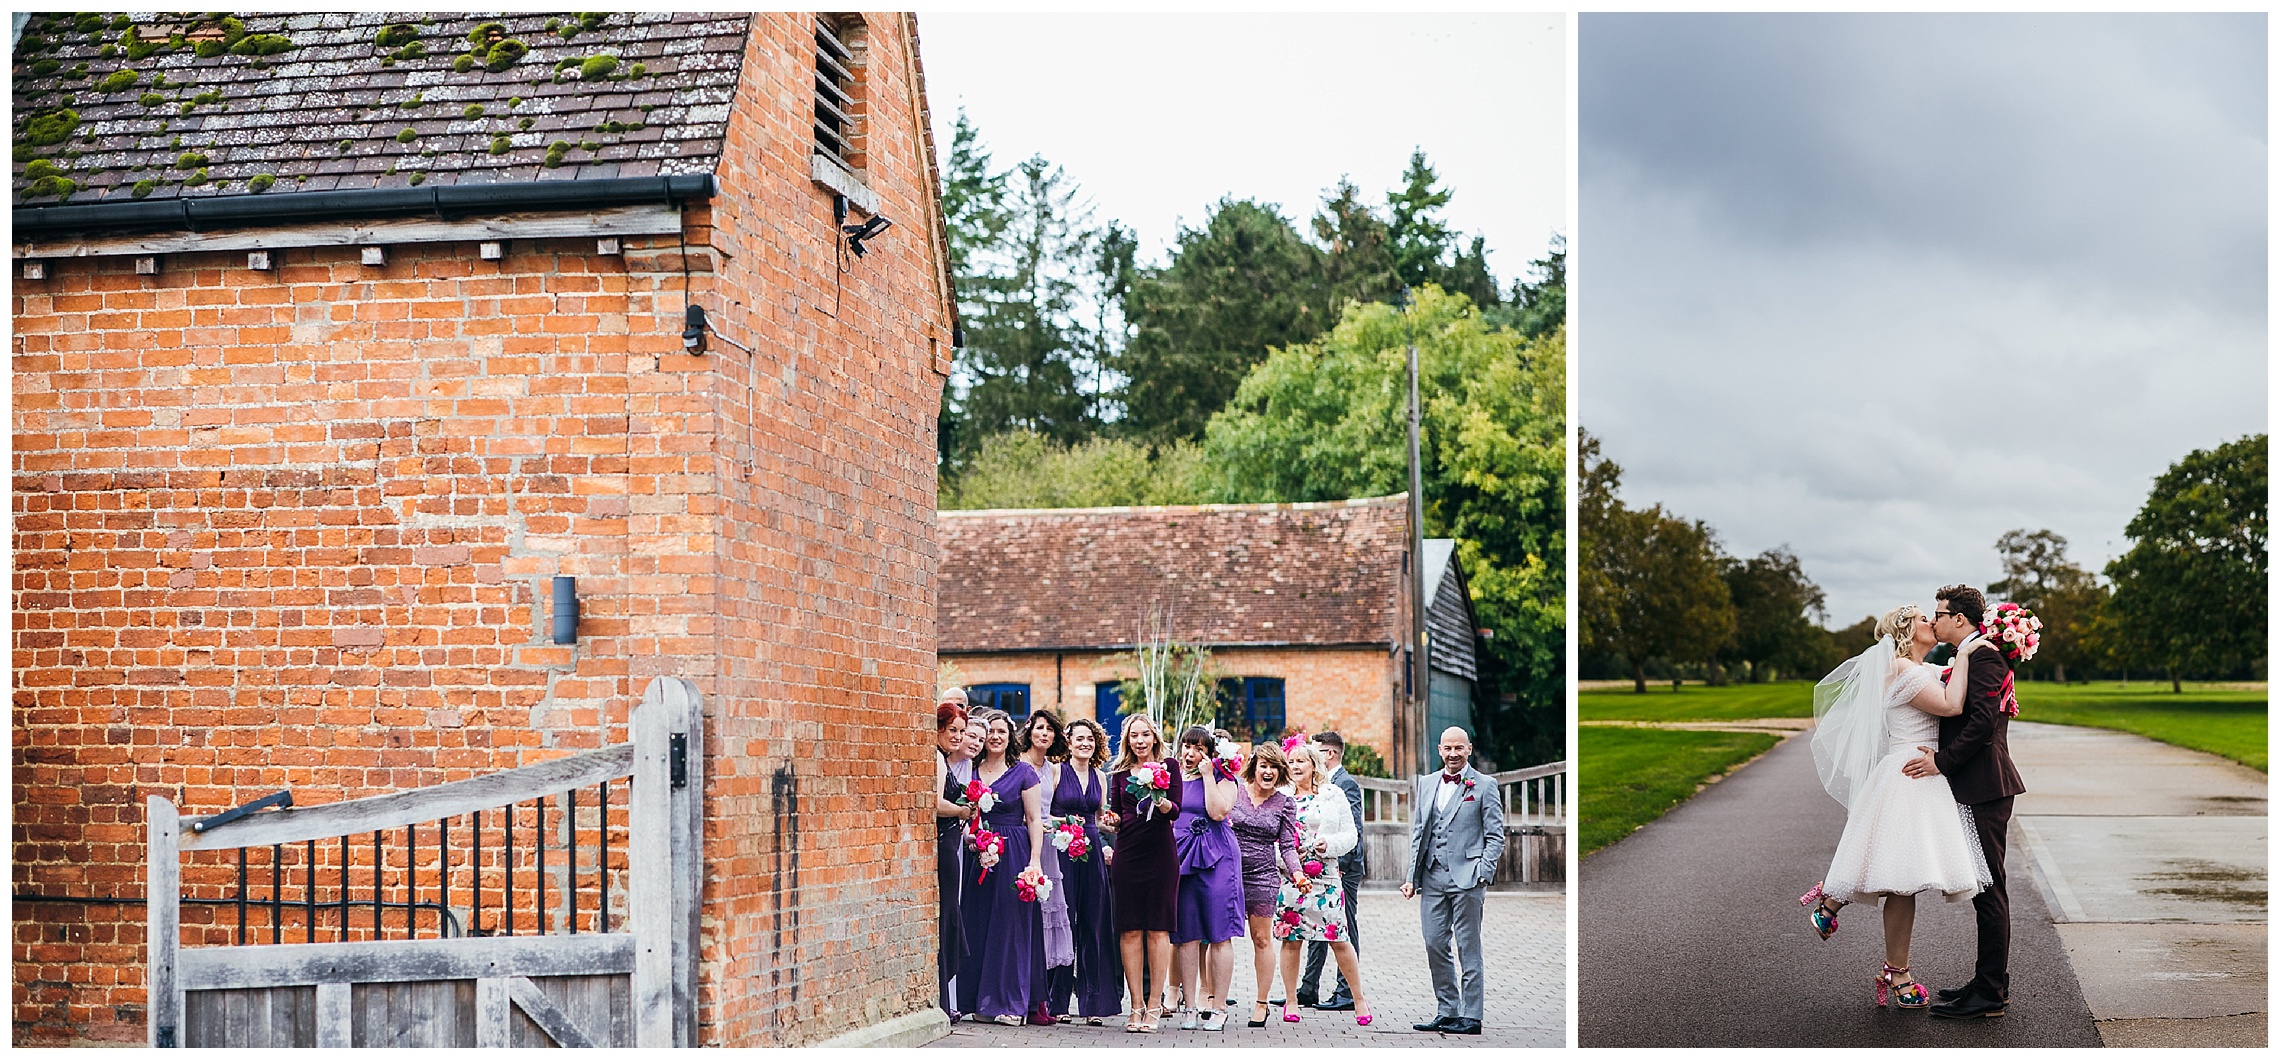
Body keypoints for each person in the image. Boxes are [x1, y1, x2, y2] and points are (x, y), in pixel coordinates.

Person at [1799, 602, 1987, 1008]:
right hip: (1910, 774)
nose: (1932, 622)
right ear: (1907, 631)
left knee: (1902, 877)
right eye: (1924, 619)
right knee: (1900, 874)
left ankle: (1841, 908)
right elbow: (1952, 705)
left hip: (1922, 773)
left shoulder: (1921, 670)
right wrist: (1968, 651)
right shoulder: (1904, 670)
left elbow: (1950, 683)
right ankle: (1877, 948)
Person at [1905, 585, 2027, 1020]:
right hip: (1975, 785)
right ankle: (1988, 981)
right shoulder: (1968, 655)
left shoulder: (1985, 655)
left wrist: (1941, 762)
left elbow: (1982, 722)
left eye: (1939, 614)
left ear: (1960, 619)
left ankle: (1991, 993)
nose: (1934, 621)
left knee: (1990, 888)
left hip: (1987, 786)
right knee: (1983, 887)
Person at [1402, 726, 1503, 1035]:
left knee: (1468, 946)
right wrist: (1411, 877)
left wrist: (1482, 873)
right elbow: (1419, 832)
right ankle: (1447, 1010)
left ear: (1469, 749)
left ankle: (1471, 1016)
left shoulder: (1484, 785)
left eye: (1459, 748)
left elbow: (1495, 836)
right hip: (1432, 876)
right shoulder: (1427, 783)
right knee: (1434, 943)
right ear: (1439, 750)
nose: (1453, 753)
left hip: (1467, 877)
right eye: (1448, 748)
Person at [955, 710, 1049, 1025]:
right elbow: (962, 816)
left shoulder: (1023, 772)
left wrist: (1034, 861)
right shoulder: (970, 771)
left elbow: (1034, 819)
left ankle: (1011, 1002)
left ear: (1010, 737)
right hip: (977, 853)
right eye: (990, 732)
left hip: (1014, 851)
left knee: (1012, 927)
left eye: (1001, 732)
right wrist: (971, 839)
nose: (995, 737)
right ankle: (980, 1000)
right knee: (979, 923)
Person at [1274, 739, 1374, 1027]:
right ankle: (1291, 1000)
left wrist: (1327, 844)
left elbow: (1351, 835)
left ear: (1313, 765)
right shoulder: (1281, 796)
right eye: (1290, 762)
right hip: (1291, 877)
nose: (1294, 766)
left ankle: (1359, 999)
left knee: (1339, 938)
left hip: (1326, 877)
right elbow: (1271, 836)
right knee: (1291, 939)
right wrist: (1286, 860)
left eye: (1300, 761)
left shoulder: (1334, 795)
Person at [1103, 714, 1181, 1033]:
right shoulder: (1120, 773)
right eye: (1133, 736)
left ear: (1154, 738)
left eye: (1144, 735)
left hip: (1161, 854)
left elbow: (1175, 809)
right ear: (1127, 740)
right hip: (1128, 854)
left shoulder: (1170, 766)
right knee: (1130, 930)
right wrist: (1112, 822)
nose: (1139, 741)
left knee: (1158, 930)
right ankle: (1134, 1006)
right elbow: (1119, 813)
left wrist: (1159, 798)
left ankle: (1154, 1005)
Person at [1046, 718, 1123, 1024]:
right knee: (1065, 921)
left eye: (1090, 739)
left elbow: (1100, 818)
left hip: (1090, 850)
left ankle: (1093, 1004)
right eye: (1079, 739)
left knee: (1094, 923)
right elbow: (1044, 811)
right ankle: (1058, 1002)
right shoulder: (1055, 771)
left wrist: (1115, 824)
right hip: (1062, 849)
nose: (1085, 744)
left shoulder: (1099, 777)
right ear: (1069, 742)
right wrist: (1064, 825)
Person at [1168, 726, 1243, 1031]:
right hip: (1182, 856)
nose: (1190, 753)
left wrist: (1209, 775)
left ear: (1211, 753)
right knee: (1186, 934)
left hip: (1217, 857)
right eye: (1186, 746)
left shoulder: (1225, 779)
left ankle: (1219, 1006)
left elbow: (1217, 811)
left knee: (1218, 931)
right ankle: (1188, 1006)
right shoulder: (1171, 778)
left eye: (1199, 748)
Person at [1225, 742, 1301, 1028]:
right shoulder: (1235, 791)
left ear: (1280, 771)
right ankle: (1213, 1000)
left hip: (1263, 875)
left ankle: (1261, 1002)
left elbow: (1287, 846)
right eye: (1263, 765)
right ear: (1254, 767)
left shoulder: (1285, 803)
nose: (1267, 771)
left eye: (1273, 767)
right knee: (1220, 938)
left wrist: (1297, 873)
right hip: (1228, 872)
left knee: (1261, 939)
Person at [1015, 710, 1075, 1026]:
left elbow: (1046, 812)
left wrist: (1065, 826)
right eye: (1040, 728)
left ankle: (1042, 998)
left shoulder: (1052, 768)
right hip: (1023, 841)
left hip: (1048, 845)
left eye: (1050, 730)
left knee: (1049, 915)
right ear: (1030, 731)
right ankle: (1024, 994)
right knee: (1028, 918)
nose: (1045, 734)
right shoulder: (1020, 763)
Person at [1298, 730, 1366, 1011]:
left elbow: (1354, 830)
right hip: (1313, 868)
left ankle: (1347, 992)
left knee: (1342, 929)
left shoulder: (1344, 784)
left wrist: (1339, 866)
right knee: (1317, 927)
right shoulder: (1314, 785)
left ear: (1329, 754)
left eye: (1313, 753)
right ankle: (1308, 988)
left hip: (1341, 869)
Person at [933, 691, 974, 1018]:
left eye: (962, 732)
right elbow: (936, 804)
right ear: (937, 731)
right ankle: (943, 1000)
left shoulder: (944, 759)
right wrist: (962, 811)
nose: (958, 738)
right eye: (952, 732)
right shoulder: (936, 759)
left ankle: (945, 1000)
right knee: (948, 913)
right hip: (945, 846)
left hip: (950, 843)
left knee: (951, 913)